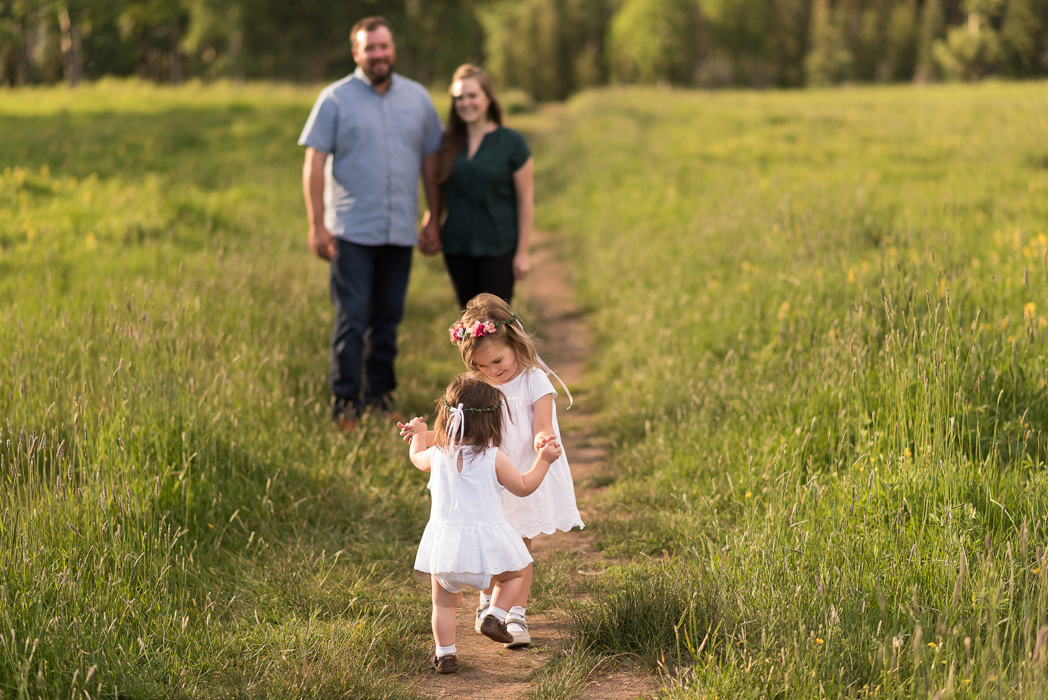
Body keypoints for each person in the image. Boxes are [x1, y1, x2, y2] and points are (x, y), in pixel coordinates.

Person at [404, 293, 584, 648]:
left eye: (498, 361)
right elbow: (455, 429)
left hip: (524, 467)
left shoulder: (534, 380)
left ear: (514, 341)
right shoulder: (479, 386)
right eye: (482, 367)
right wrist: (424, 436)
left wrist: (543, 440)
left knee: (518, 545)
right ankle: (488, 605)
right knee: (489, 542)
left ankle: (515, 615)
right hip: (484, 479)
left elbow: (543, 422)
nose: (492, 371)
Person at [298, 16, 444, 429]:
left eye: (384, 46)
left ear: (392, 49)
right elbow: (314, 163)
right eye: (370, 48)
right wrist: (317, 224)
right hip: (351, 231)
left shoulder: (418, 99)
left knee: (388, 321)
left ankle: (381, 399)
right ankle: (345, 405)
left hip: (399, 231)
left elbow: (431, 161)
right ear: (356, 53)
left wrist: (433, 215)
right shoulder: (334, 99)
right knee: (352, 319)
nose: (378, 54)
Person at [403, 374, 563, 674]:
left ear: (447, 418)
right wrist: (544, 460)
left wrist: (419, 433)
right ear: (493, 422)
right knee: (514, 575)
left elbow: (415, 457)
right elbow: (525, 486)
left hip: (445, 549)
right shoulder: (494, 457)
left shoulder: (437, 455)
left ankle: (445, 654)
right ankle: (496, 615)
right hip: (486, 550)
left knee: (444, 605)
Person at [432, 65, 534, 309]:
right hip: (457, 248)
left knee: (496, 326)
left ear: (488, 98)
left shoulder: (512, 142)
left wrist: (522, 252)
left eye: (472, 95)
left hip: (499, 247)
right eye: (459, 97)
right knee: (468, 325)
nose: (465, 103)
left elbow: (525, 200)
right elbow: (439, 190)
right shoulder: (448, 142)